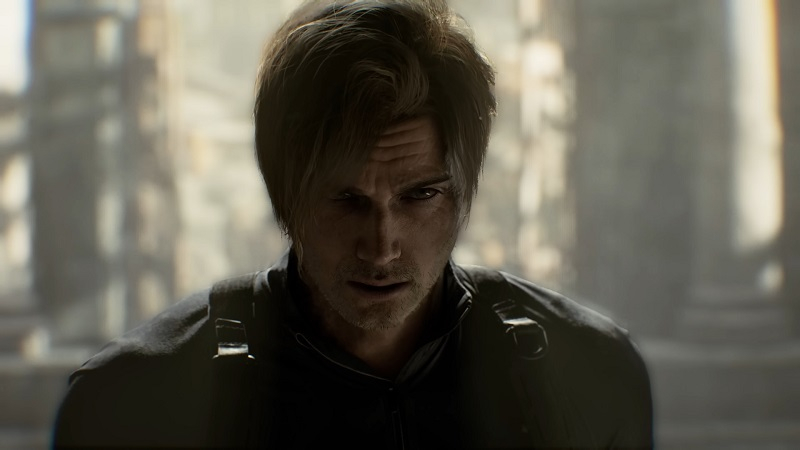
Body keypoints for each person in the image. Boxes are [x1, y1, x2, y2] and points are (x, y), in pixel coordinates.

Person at [54, 0, 653, 448]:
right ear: (286, 197)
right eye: (346, 200)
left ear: (462, 191)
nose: (382, 245)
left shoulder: (587, 373)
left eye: (419, 195)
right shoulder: (134, 401)